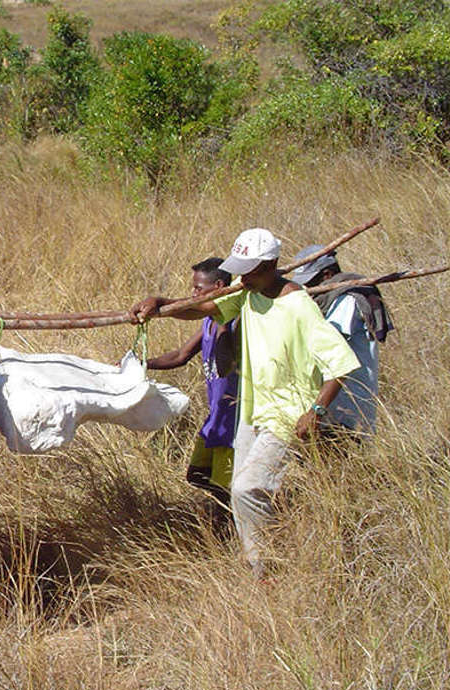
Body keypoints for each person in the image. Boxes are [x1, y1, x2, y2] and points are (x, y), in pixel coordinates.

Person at [130, 229, 360, 575]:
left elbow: (339, 363)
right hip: (253, 412)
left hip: (287, 415)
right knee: (239, 492)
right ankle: (258, 564)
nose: (242, 277)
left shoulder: (298, 305)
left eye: (249, 270)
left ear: (271, 265)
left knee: (247, 488)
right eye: (240, 270)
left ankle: (267, 567)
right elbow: (204, 308)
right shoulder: (247, 294)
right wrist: (161, 304)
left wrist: (315, 410)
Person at [146, 258, 238, 519]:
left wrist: (161, 303)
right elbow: (180, 355)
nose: (193, 294)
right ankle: (221, 521)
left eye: (198, 289)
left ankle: (226, 532)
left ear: (219, 286)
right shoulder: (209, 321)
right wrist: (143, 364)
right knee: (199, 476)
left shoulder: (231, 318)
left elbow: (191, 312)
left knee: (225, 488)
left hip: (232, 419)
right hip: (217, 414)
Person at [291, 245, 393, 435]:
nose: (308, 289)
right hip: (332, 405)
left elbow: (333, 345)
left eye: (311, 282)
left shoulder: (347, 301)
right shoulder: (330, 301)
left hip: (347, 407)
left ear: (327, 275)